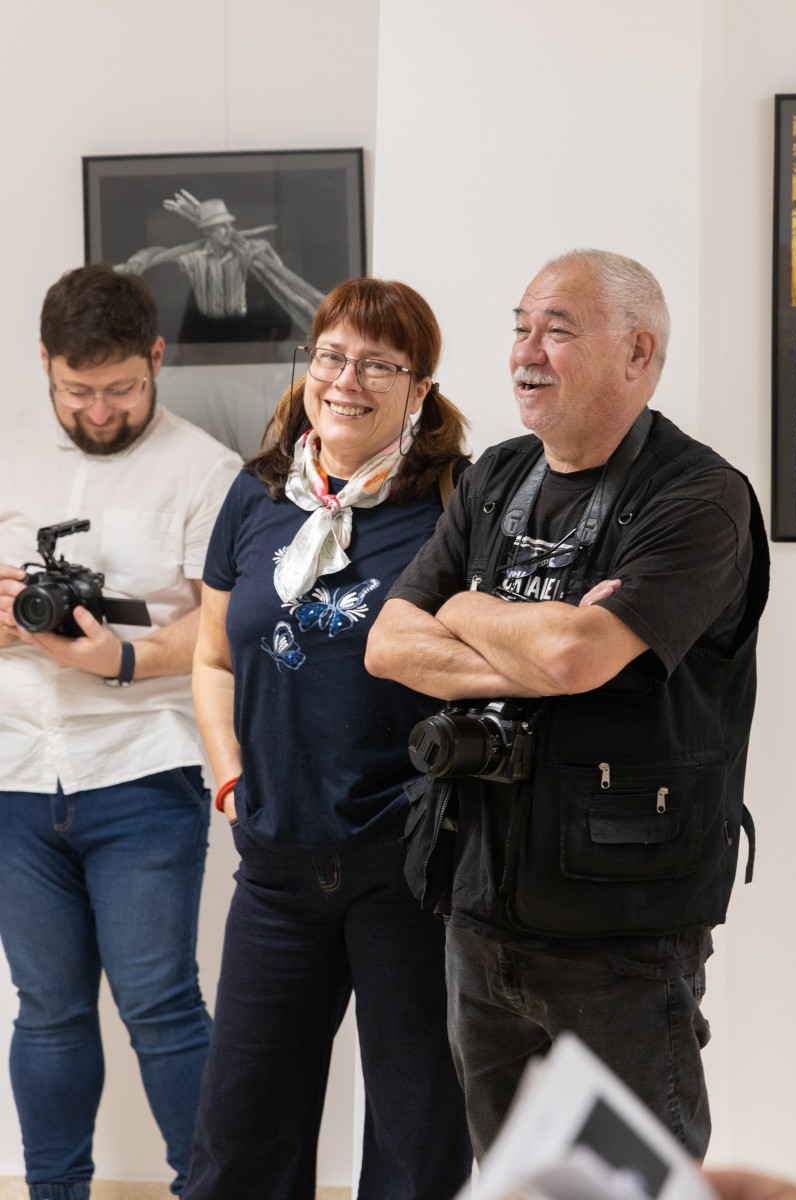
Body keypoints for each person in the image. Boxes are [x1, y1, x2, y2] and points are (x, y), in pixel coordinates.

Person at [366, 249, 769, 1162]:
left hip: (623, 934)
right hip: (478, 901)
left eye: (557, 331)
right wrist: (540, 646)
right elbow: (388, 644)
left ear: (638, 351)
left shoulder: (699, 498)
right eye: (520, 327)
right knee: (508, 1174)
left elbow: (576, 655)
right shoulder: (495, 478)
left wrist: (466, 609)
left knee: (636, 1182)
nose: (525, 352)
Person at [183, 277, 474, 1200]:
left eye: (378, 365)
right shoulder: (254, 493)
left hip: (409, 868)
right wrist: (231, 779)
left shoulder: (454, 502)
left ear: (419, 388)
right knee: (238, 1142)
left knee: (417, 1141)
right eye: (332, 356)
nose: (347, 381)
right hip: (276, 862)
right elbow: (212, 659)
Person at [0, 263, 242, 1200]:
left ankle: (207, 1190)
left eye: (121, 390)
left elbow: (220, 626)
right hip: (17, 771)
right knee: (47, 1011)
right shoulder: (9, 451)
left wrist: (124, 659)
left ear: (157, 359)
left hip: (143, 770)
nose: (100, 411)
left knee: (160, 1006)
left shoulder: (206, 471)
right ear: (45, 364)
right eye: (78, 391)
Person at [116, 190, 325, 333]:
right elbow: (161, 253)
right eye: (219, 228)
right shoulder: (195, 257)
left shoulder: (246, 253)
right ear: (208, 231)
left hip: (244, 330)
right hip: (204, 330)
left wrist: (266, 251)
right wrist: (140, 257)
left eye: (227, 226)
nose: (225, 232)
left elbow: (278, 272)